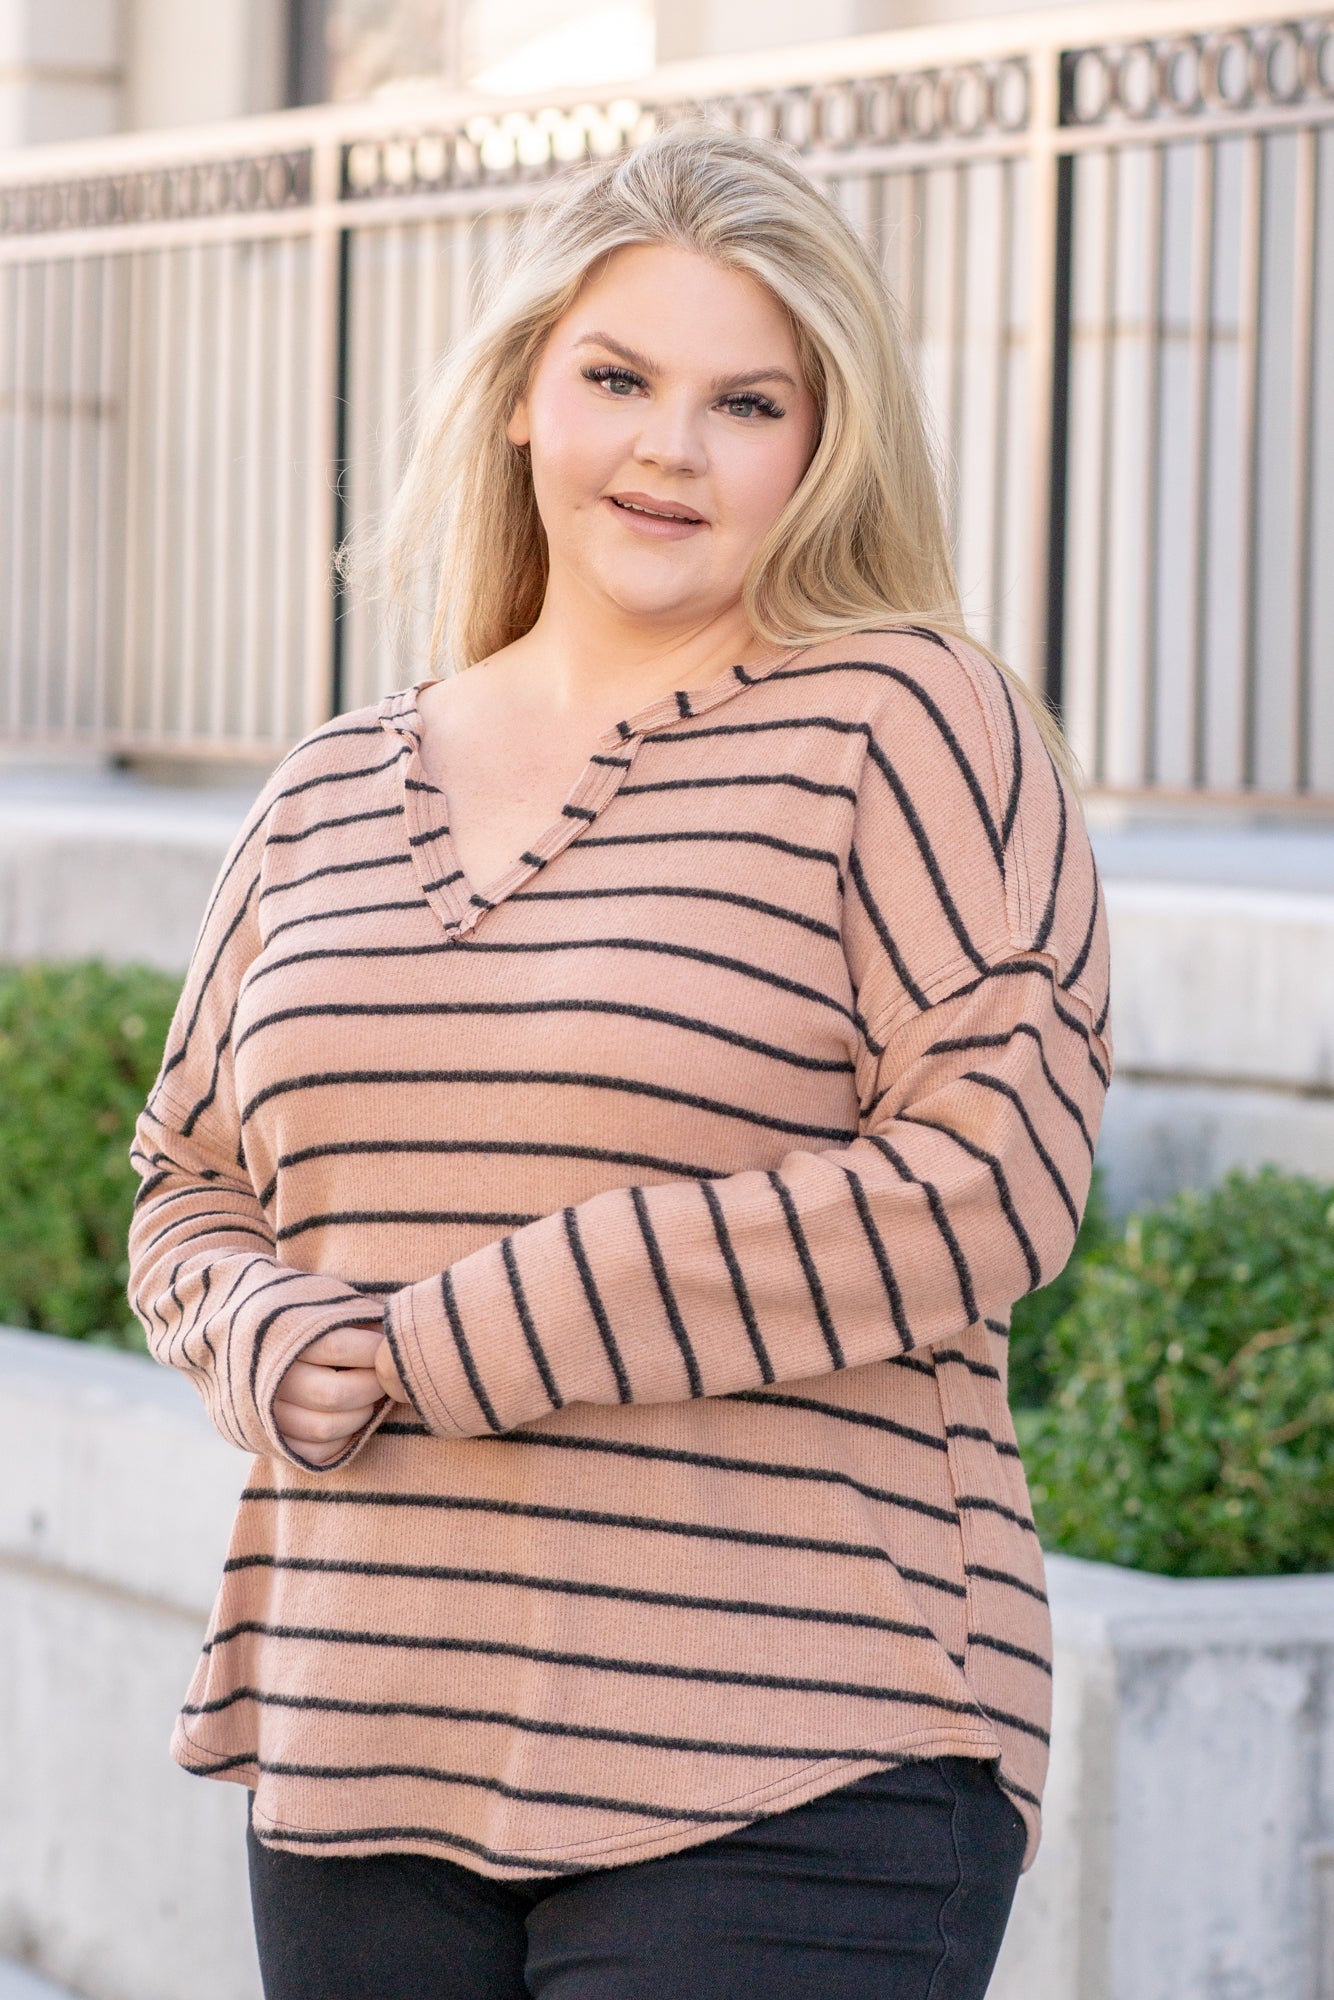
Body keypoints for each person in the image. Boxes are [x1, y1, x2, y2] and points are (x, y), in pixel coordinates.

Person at [128, 124, 1111, 2000]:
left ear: (823, 447)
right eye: (616, 379)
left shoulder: (903, 721)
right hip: (361, 1743)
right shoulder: (324, 789)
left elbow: (989, 1183)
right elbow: (187, 1179)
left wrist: (457, 1339)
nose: (670, 448)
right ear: (520, 397)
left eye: (746, 402)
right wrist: (257, 1331)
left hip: (795, 1751)